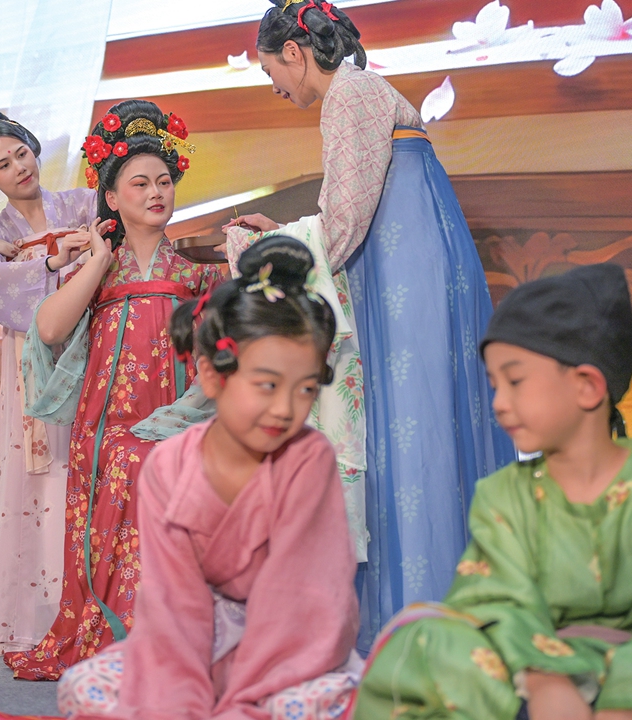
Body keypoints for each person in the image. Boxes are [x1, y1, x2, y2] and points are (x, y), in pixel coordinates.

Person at [351, 264, 632, 720]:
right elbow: (495, 599)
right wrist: (545, 678)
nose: (498, 403)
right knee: (428, 641)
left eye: (515, 381)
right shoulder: (502, 496)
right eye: (493, 385)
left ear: (587, 386)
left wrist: (631, 700)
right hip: (543, 661)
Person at [221, 0, 514, 650]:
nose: (275, 86)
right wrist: (293, 231)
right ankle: (449, 627)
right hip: (413, 261)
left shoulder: (348, 95)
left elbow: (344, 229)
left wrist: (256, 251)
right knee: (429, 425)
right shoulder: (362, 90)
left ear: (295, 52)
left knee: (414, 433)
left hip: (406, 273)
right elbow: (348, 216)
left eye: (273, 70)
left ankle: (423, 641)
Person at [57, 236, 362, 720]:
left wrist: (239, 702)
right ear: (213, 375)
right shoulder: (168, 467)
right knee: (88, 686)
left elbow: (309, 597)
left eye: (305, 389)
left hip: (292, 646)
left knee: (314, 706)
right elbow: (174, 607)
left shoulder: (310, 459)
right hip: (198, 639)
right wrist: (186, 703)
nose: (286, 410)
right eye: (267, 385)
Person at [5, 100, 226, 680]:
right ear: (112, 197)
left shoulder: (198, 274)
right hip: (106, 427)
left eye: (163, 181)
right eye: (139, 183)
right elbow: (49, 330)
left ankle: (164, 643)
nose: (156, 192)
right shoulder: (100, 268)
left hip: (175, 425)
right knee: (120, 465)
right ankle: (121, 642)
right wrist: (98, 261)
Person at [0, 111, 95, 654]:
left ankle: (92, 606)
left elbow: (107, 235)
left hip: (86, 348)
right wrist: (55, 260)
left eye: (22, 153)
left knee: (89, 464)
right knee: (38, 477)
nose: (20, 167)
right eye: (3, 164)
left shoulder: (81, 203)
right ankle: (37, 612)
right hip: (29, 365)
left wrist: (54, 256)